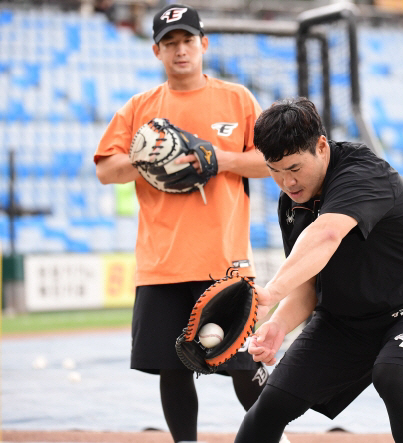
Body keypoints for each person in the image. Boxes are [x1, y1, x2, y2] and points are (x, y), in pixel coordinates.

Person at [235, 97, 403, 443]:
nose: (287, 182)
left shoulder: (362, 171)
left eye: (294, 168)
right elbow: (307, 284)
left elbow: (327, 233)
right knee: (271, 405)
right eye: (275, 171)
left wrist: (269, 294)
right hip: (348, 322)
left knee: (394, 374)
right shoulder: (292, 203)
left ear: (320, 146)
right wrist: (278, 325)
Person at [94, 4, 271, 442]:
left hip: (225, 262)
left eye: (187, 40)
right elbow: (105, 168)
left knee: (243, 366)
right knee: (172, 368)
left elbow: (269, 160)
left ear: (203, 44)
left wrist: (219, 158)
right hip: (163, 261)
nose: (180, 50)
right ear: (156, 52)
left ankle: (274, 437)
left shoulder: (238, 99)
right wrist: (152, 160)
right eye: (169, 43)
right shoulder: (141, 109)